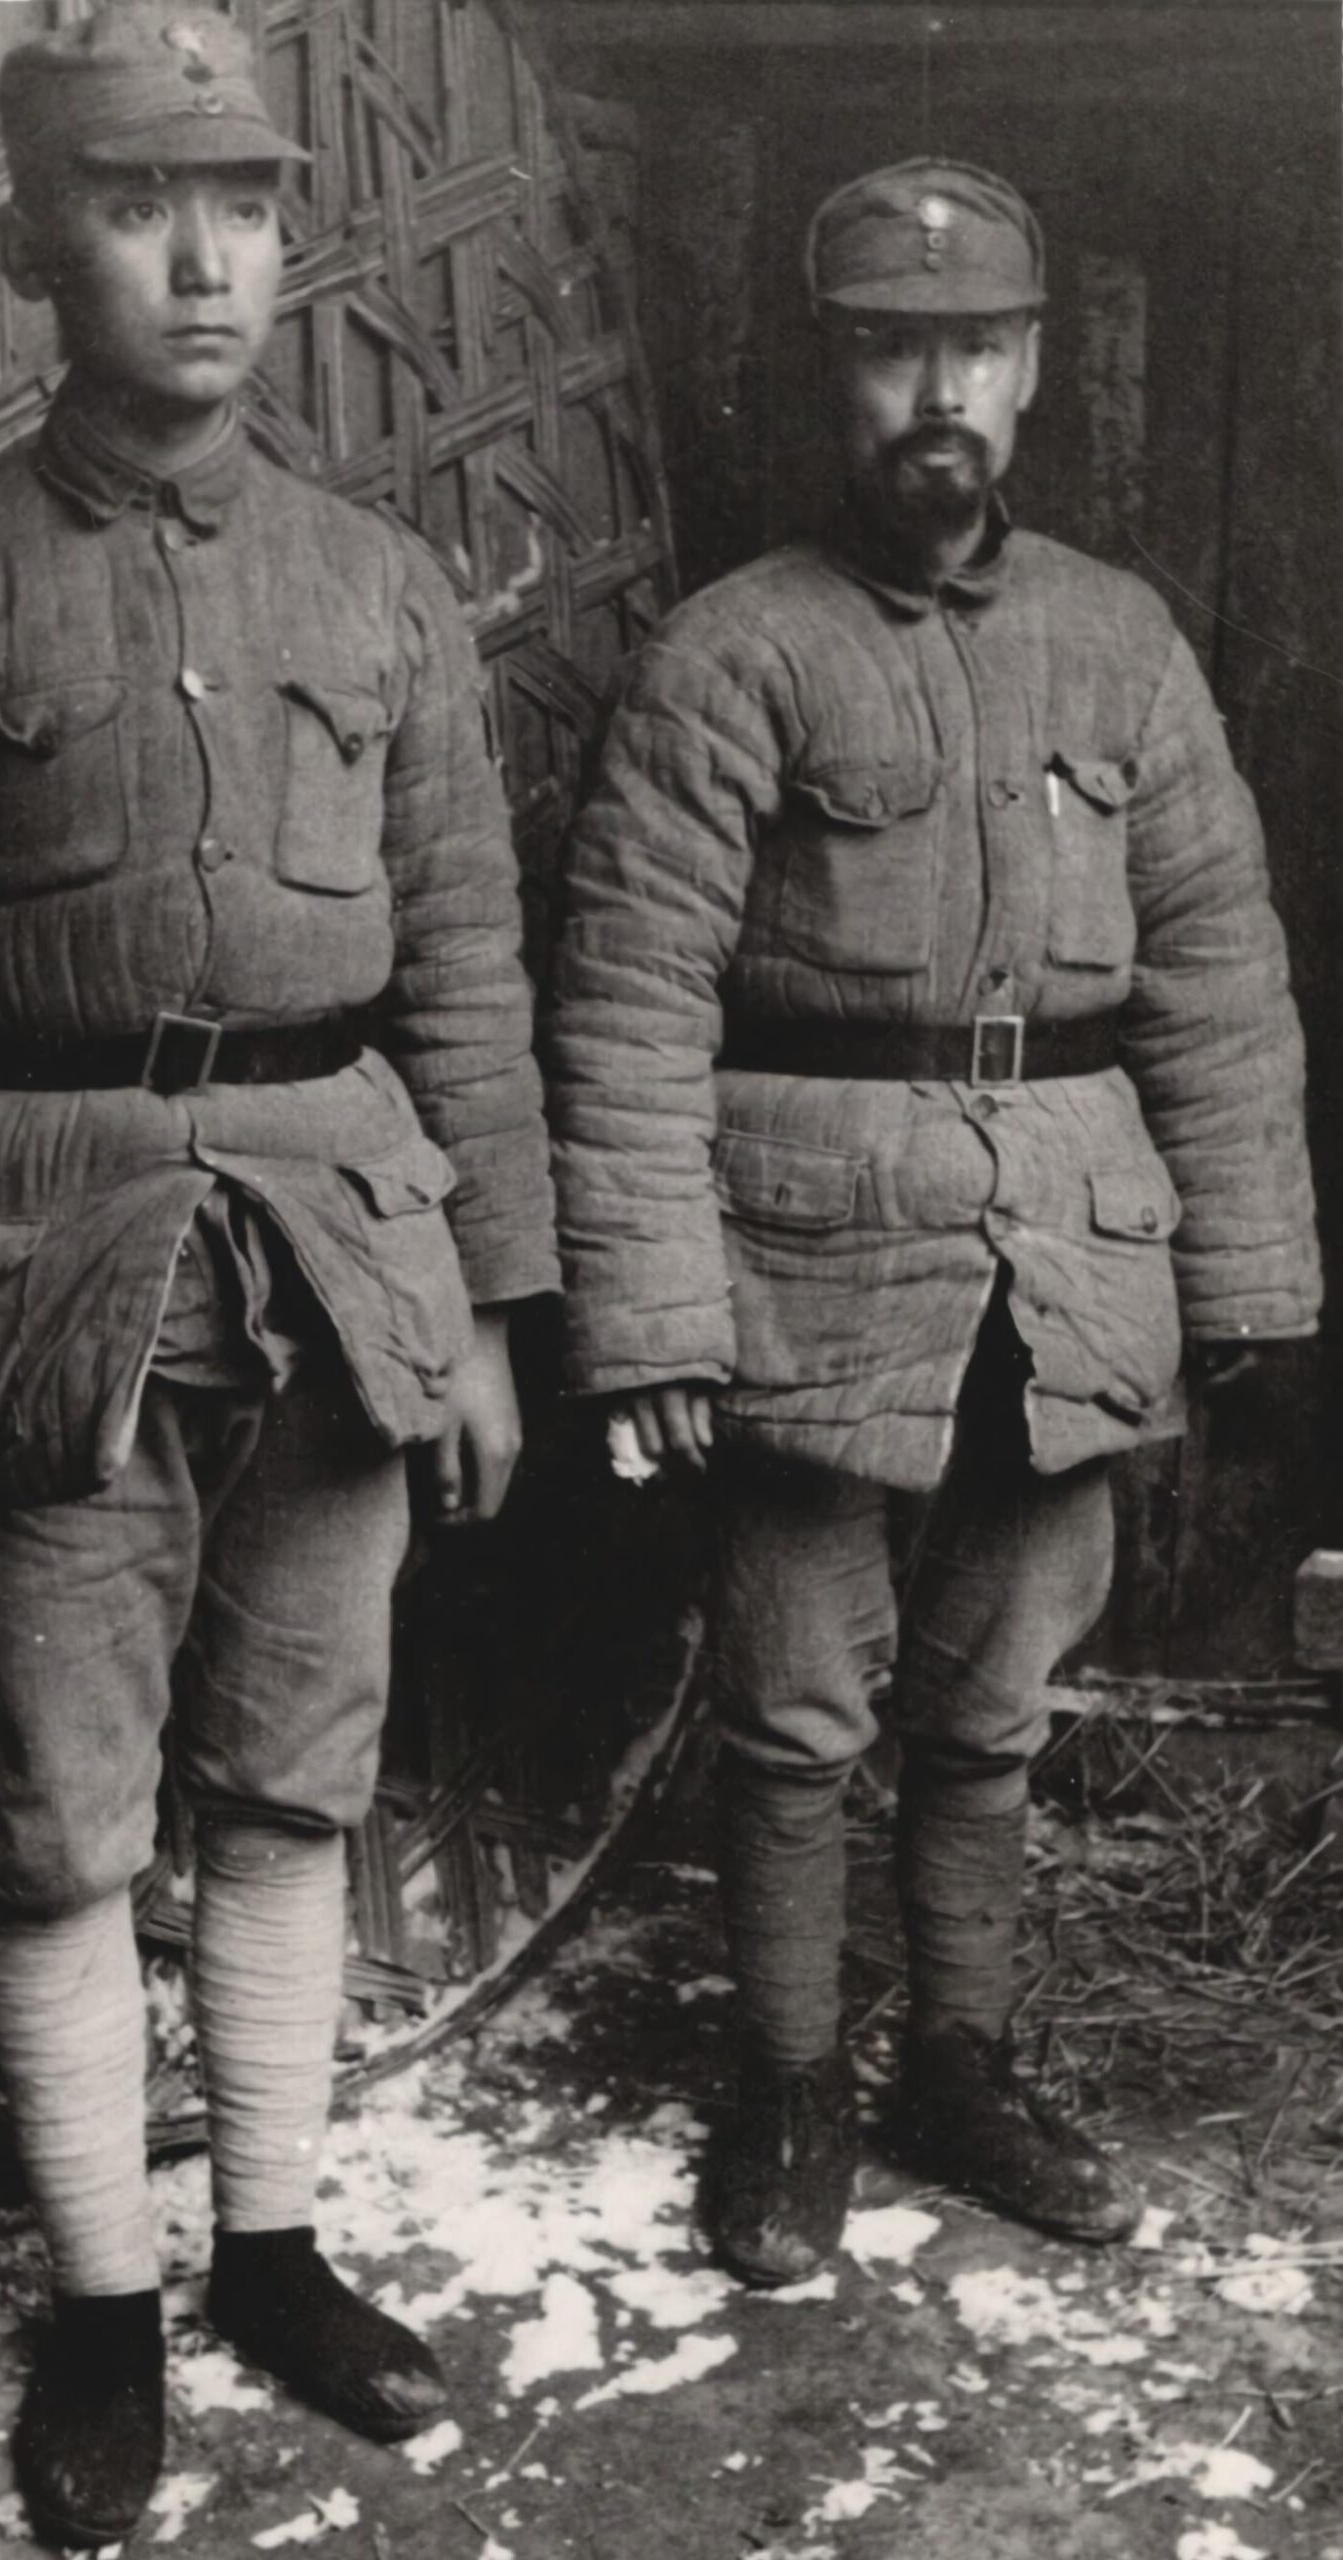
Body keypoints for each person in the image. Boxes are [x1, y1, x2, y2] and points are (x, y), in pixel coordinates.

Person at [0, 6, 556, 2544]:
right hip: (25, 1266)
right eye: (143, 201)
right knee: (54, 1827)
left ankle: (264, 2249)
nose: (211, 250)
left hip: (341, 1253)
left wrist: (485, 1302)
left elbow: (468, 959)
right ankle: (107, 2301)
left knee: (289, 1777)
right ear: (38, 246)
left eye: (242, 196)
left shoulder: (378, 581)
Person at [546, 159, 1319, 2288]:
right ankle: (790, 2080)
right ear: (837, 371)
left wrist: (1242, 1269)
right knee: (798, 1707)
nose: (938, 391)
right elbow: (624, 999)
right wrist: (655, 1315)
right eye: (895, 346)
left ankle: (960, 2060)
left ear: (1039, 364)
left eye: (975, 345)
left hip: (1068, 1253)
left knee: (994, 1704)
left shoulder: (1122, 643)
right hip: (805, 1261)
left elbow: (1217, 973)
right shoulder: (737, 655)